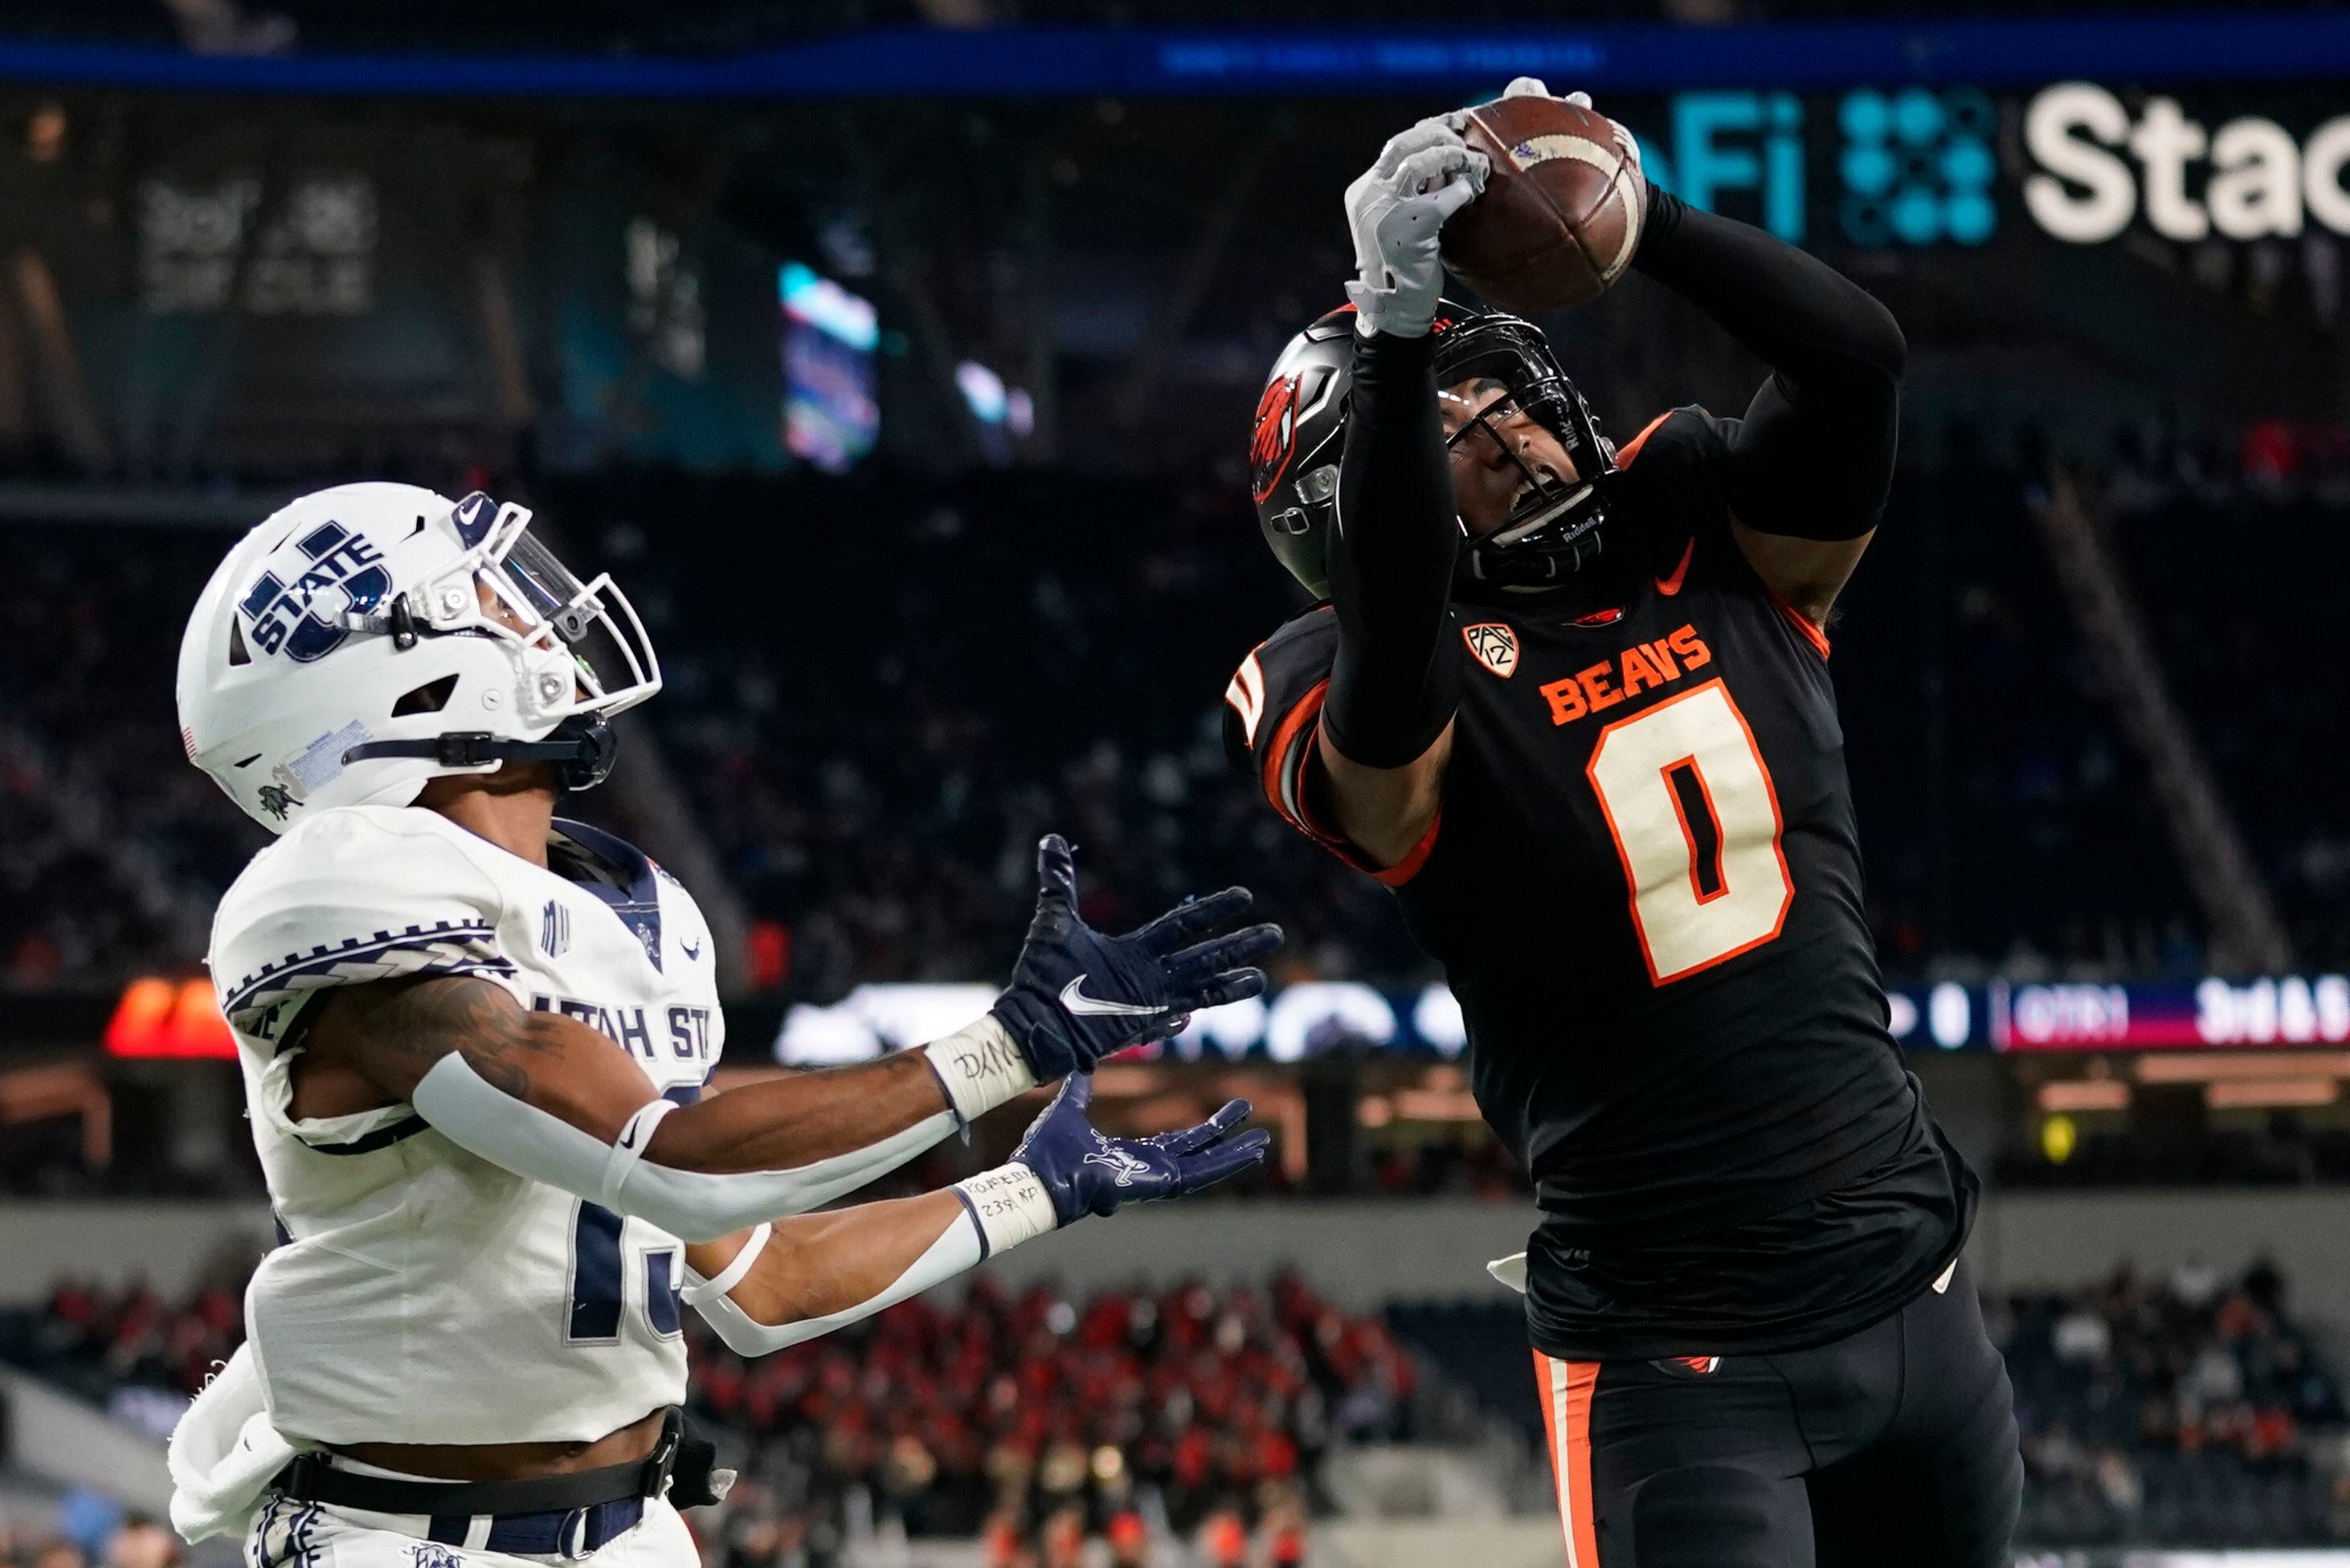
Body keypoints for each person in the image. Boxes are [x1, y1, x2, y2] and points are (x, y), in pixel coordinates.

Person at [169, 483, 1279, 1568]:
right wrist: (1008, 1048)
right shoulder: (337, 885)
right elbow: (672, 1168)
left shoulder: (629, 907)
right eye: (485, 596)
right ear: (393, 680)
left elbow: (758, 1280)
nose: (532, 612)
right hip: (398, 1539)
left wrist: (1031, 1189)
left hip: (634, 1529)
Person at [1227, 81, 2019, 1566]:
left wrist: (1636, 217)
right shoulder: (1341, 676)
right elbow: (1394, 686)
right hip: (1681, 1367)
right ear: (1360, 511)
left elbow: (1857, 362)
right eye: (1457, 433)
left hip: (1922, 1299)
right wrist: (1395, 353)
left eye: (1509, 394)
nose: (1514, 438)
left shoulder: (1697, 525)